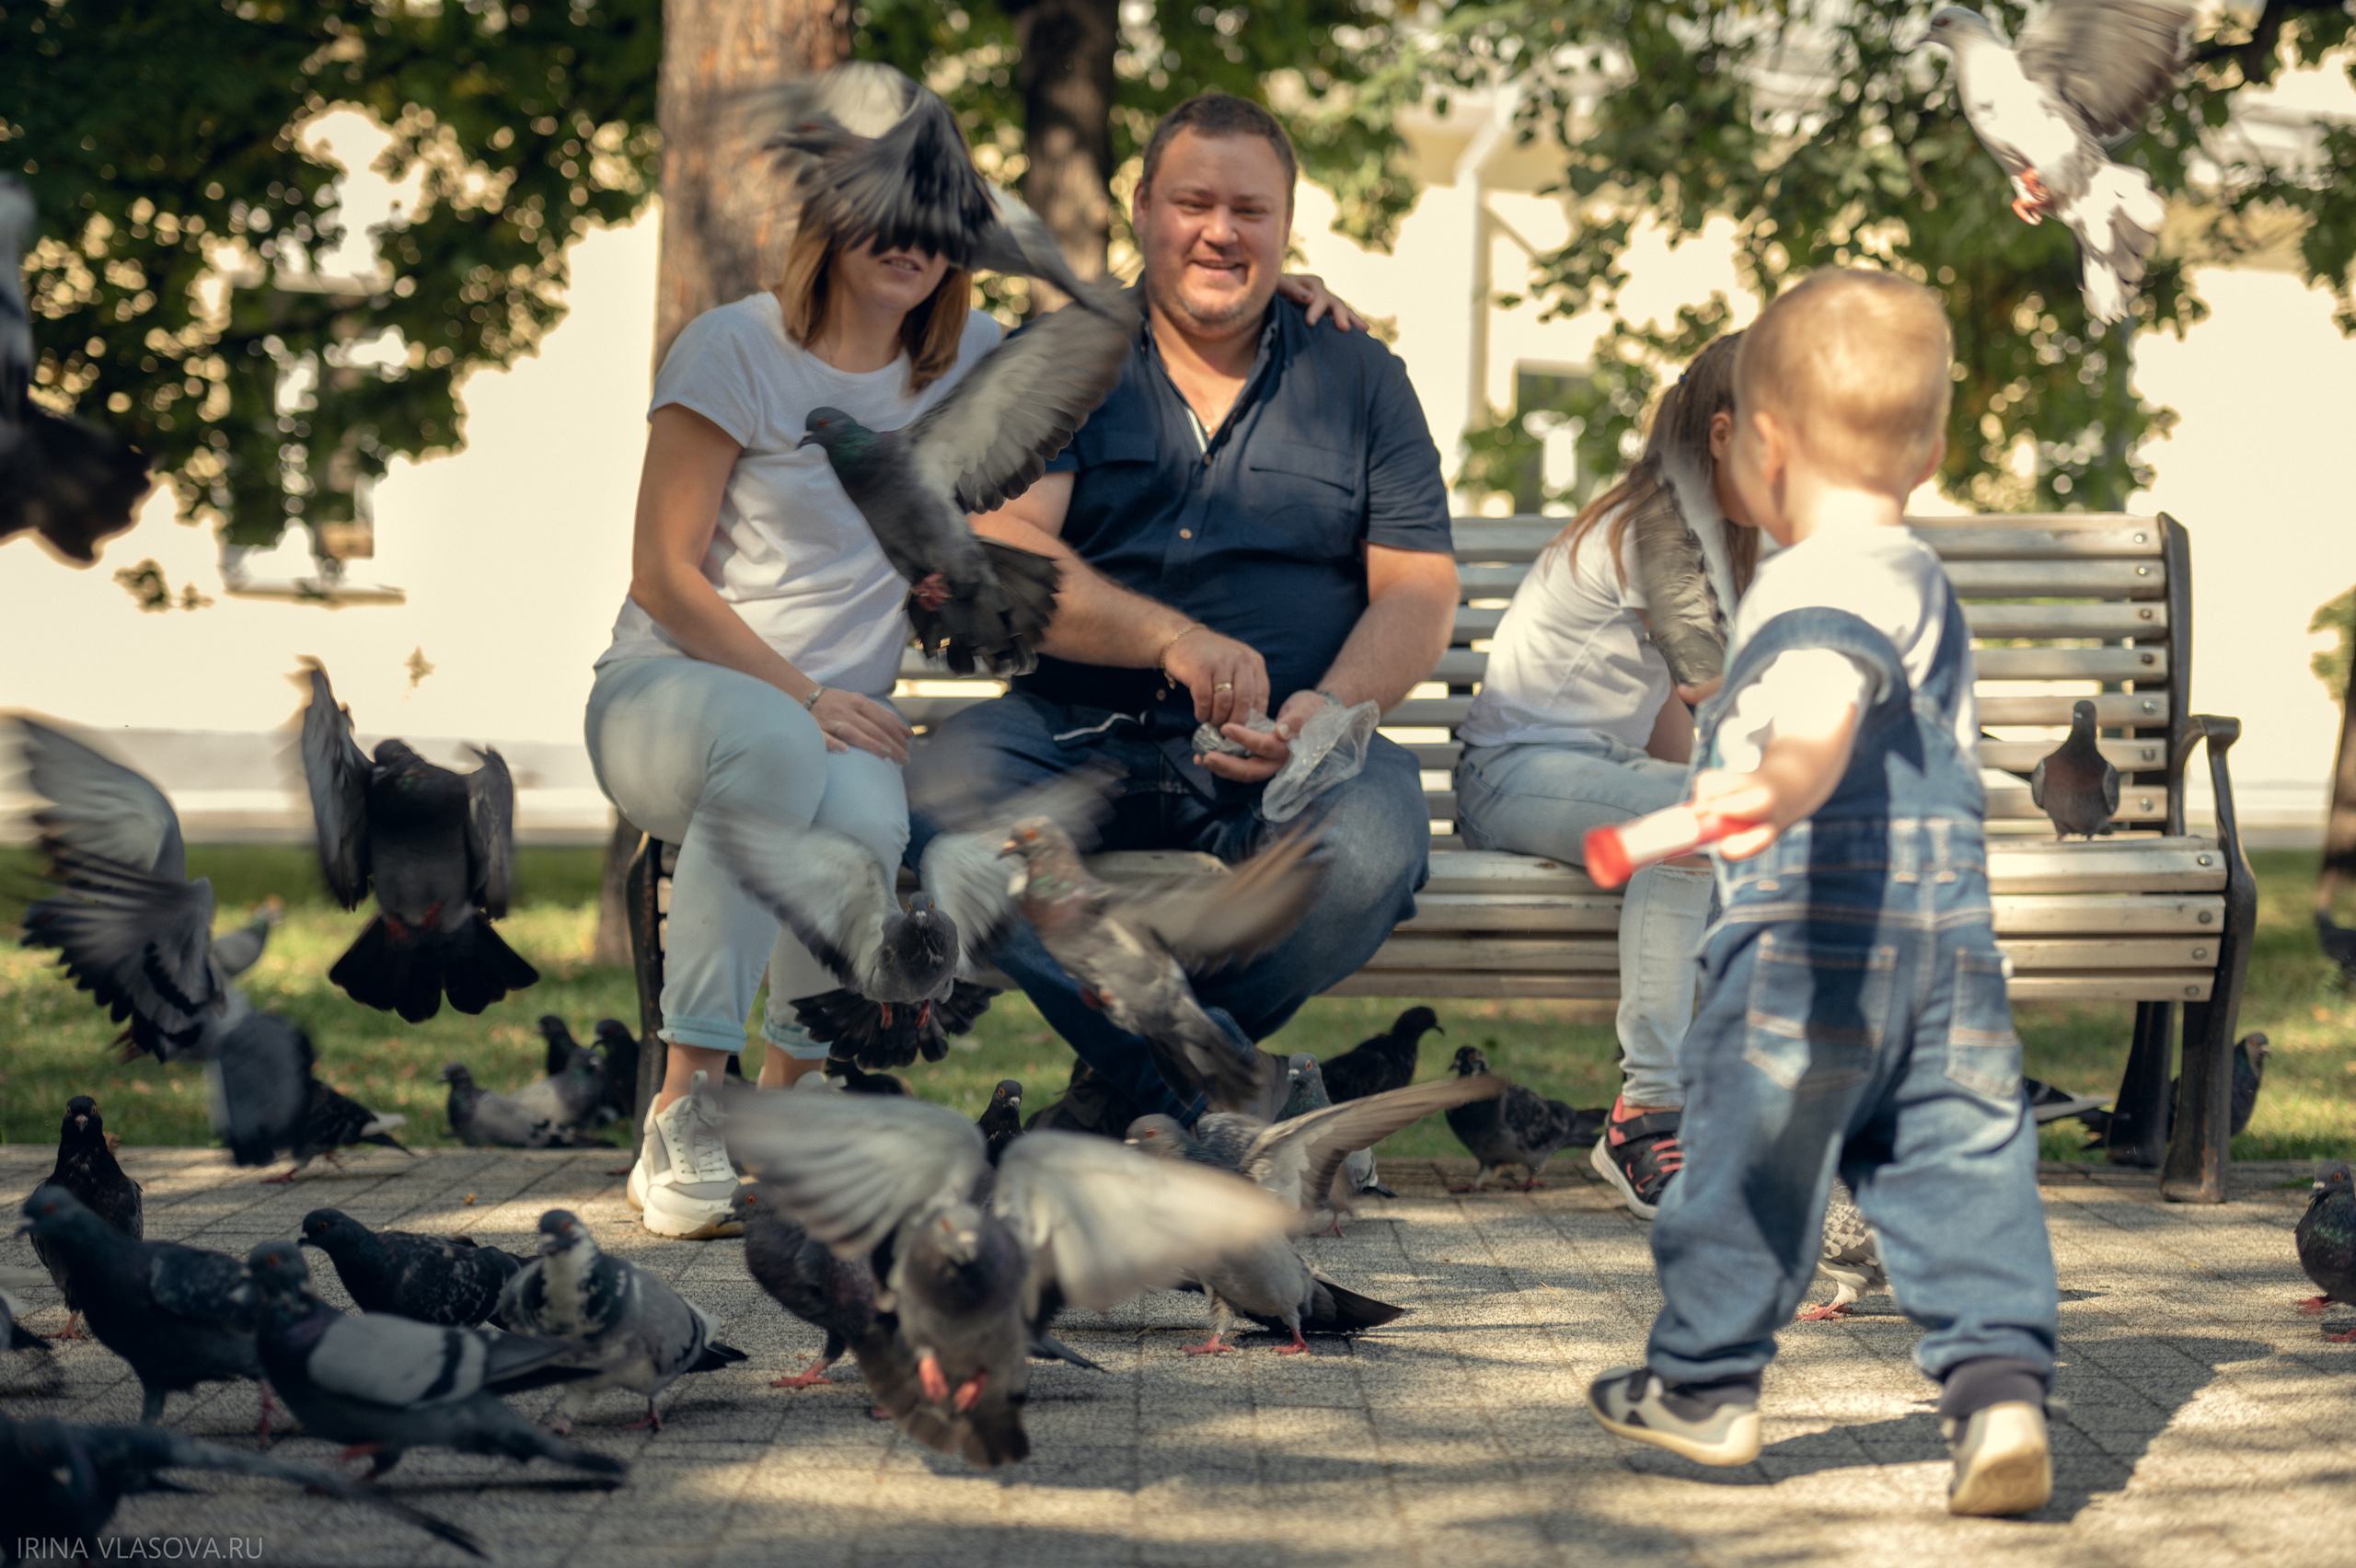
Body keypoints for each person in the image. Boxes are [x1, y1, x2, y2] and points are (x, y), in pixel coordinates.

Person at [584, 150, 1361, 1238]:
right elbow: (662, 575)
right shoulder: (734, 347)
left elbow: (1128, 321)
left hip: (832, 729)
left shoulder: (970, 359)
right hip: (673, 696)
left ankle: (782, 1113)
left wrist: (1275, 291)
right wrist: (803, 695)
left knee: (867, 823)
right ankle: (685, 1107)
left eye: (937, 226)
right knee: (777, 750)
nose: (911, 244)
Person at [1583, 270, 2060, 1519]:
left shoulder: (1812, 582)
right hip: (1944, 950)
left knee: (1746, 1162)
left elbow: (1813, 724)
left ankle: (1704, 1385)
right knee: (1959, 1163)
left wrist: (1713, 807)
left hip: (1804, 940)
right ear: (1933, 451)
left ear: (1762, 446)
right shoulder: (1920, 575)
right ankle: (1999, 1394)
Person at [901, 91, 1459, 1126]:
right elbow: (1005, 549)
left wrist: (1326, 713)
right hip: (1072, 732)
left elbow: (1418, 588)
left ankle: (1129, 1086)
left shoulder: (1359, 376)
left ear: (1287, 224)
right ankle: (1223, 1092)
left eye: (1250, 210)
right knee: (938, 816)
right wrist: (1168, 636)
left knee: (1376, 843)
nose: (1220, 232)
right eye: (1194, 203)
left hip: (1281, 749)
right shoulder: (1066, 357)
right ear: (1144, 208)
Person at [1454, 333, 1760, 1219]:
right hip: (1511, 775)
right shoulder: (1655, 530)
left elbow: (1675, 724)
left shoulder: (1724, 537)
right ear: (1723, 433)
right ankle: (1644, 1115)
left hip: (1593, 770)